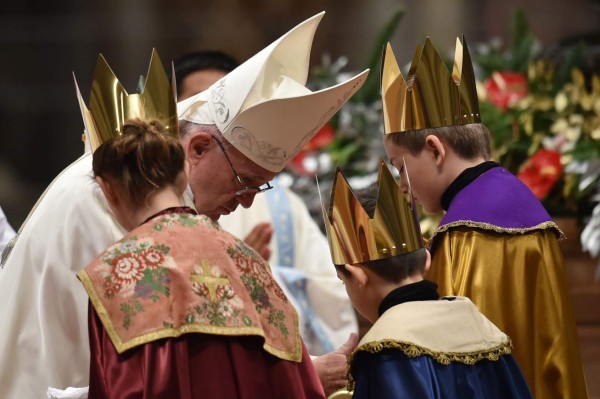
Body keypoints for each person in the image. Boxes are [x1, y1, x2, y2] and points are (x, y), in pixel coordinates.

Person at [0, 11, 369, 398]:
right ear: (198, 147)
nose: (245, 204)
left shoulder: (162, 206)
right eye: (244, 183)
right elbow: (153, 372)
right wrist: (301, 376)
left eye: (258, 190)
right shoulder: (106, 196)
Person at [381, 37, 589, 398]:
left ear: (434, 149)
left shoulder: (466, 236)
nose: (401, 185)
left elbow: (456, 368)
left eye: (401, 167)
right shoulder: (524, 207)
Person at [78, 117, 324, 398]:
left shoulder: (115, 272)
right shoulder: (247, 261)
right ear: (184, 173)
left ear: (107, 189)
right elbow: (294, 381)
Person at [174, 50, 359, 357]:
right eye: (200, 98)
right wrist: (229, 275)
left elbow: (327, 292)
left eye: (254, 185)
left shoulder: (281, 209)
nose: (245, 201)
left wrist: (261, 276)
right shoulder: (148, 201)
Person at [321, 160, 533, 398]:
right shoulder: (486, 332)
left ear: (358, 276)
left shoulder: (385, 350)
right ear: (427, 260)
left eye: (343, 280)